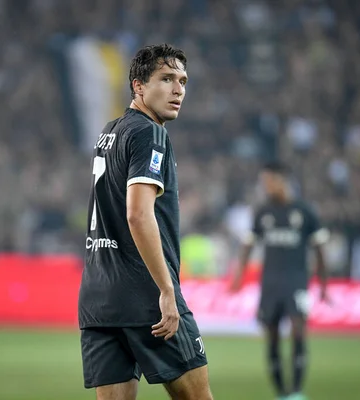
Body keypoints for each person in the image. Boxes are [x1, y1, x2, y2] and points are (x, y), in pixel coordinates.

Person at [78, 44, 213, 400]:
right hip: (145, 295)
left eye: (183, 81)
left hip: (98, 299)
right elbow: (138, 214)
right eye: (166, 79)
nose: (178, 89)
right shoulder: (150, 134)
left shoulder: (110, 131)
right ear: (138, 86)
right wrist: (167, 291)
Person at [230, 161, 330, 400]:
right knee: (272, 336)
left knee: (298, 330)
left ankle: (296, 391)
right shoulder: (263, 212)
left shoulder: (305, 212)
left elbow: (320, 250)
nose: (265, 186)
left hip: (297, 282)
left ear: (282, 180)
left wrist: (324, 285)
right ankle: (281, 392)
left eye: (269, 181)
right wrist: (238, 275)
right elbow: (247, 245)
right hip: (270, 284)